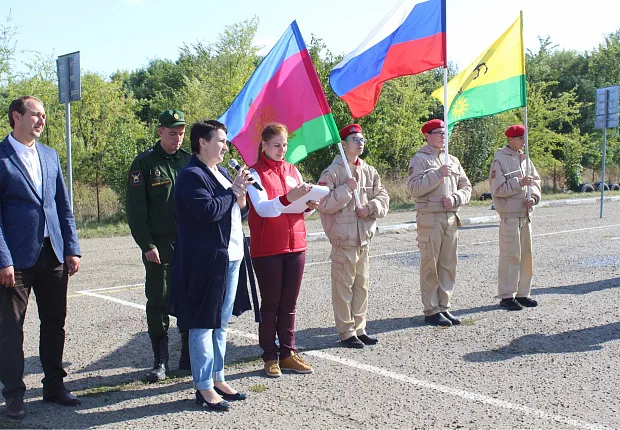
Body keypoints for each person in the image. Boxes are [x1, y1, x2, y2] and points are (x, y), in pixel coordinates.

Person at [169, 119, 259, 411]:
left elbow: (234, 213)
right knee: (202, 324)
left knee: (221, 323)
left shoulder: (220, 172)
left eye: (225, 140)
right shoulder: (191, 176)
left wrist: (241, 197)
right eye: (220, 141)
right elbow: (208, 211)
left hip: (230, 256)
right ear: (203, 143)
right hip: (204, 261)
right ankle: (203, 386)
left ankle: (218, 377)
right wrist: (233, 192)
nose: (225, 146)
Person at [0, 96, 82, 419]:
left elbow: (63, 206)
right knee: (10, 328)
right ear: (16, 116)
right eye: (36, 115)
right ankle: (14, 395)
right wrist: (3, 258)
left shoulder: (50, 156)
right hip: (15, 261)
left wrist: (71, 247)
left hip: (53, 254)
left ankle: (54, 386)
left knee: (54, 323)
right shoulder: (2, 157)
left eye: (45, 116)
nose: (42, 121)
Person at [246, 122, 317, 377]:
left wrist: (310, 205)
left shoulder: (292, 170)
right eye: (277, 145)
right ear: (264, 145)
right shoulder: (253, 173)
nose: (282, 150)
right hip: (268, 247)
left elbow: (300, 210)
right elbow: (263, 208)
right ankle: (269, 356)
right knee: (271, 304)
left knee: (289, 303)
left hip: (296, 244)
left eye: (285, 145)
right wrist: (290, 198)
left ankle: (288, 352)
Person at [126, 109, 192, 382]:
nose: (177, 138)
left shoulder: (190, 161)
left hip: (189, 243)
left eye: (181, 133)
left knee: (189, 297)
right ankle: (160, 361)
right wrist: (146, 244)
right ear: (160, 132)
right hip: (159, 245)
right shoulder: (144, 164)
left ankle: (188, 355)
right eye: (172, 133)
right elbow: (135, 210)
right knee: (158, 299)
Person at [317, 124, 389, 348]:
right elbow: (323, 204)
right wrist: (346, 189)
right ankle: (346, 331)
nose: (360, 143)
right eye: (355, 139)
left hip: (363, 238)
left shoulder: (369, 171)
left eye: (362, 139)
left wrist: (370, 208)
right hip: (343, 239)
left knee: (361, 286)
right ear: (344, 144)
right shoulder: (333, 172)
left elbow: (383, 196)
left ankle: (360, 328)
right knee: (343, 287)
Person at [407, 119, 472, 327]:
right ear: (427, 135)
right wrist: (437, 174)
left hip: (450, 216)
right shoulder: (420, 159)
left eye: (445, 133)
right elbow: (414, 189)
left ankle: (444, 306)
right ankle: (431, 309)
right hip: (430, 218)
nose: (443, 136)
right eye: (438, 133)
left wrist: (456, 199)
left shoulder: (452, 159)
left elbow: (466, 186)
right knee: (430, 266)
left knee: (448, 265)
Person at [489, 125, 541, 310]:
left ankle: (523, 293)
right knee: (510, 256)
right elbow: (498, 189)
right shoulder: (500, 161)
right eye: (520, 137)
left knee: (526, 256)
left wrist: (533, 198)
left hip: (525, 215)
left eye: (524, 137)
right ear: (510, 139)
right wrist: (519, 183)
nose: (523, 141)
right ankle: (506, 295)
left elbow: (536, 181)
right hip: (510, 216)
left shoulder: (525, 159)